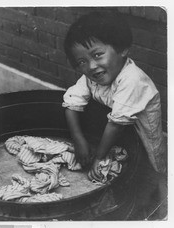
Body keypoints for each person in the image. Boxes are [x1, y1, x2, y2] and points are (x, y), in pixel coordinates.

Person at [62, 11, 167, 183]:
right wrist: (79, 140)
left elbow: (116, 125)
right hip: (121, 138)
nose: (91, 66)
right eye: (82, 61)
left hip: (142, 141)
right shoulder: (92, 77)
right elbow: (71, 104)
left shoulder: (132, 79)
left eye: (97, 55)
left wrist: (99, 158)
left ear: (122, 49)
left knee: (149, 178)